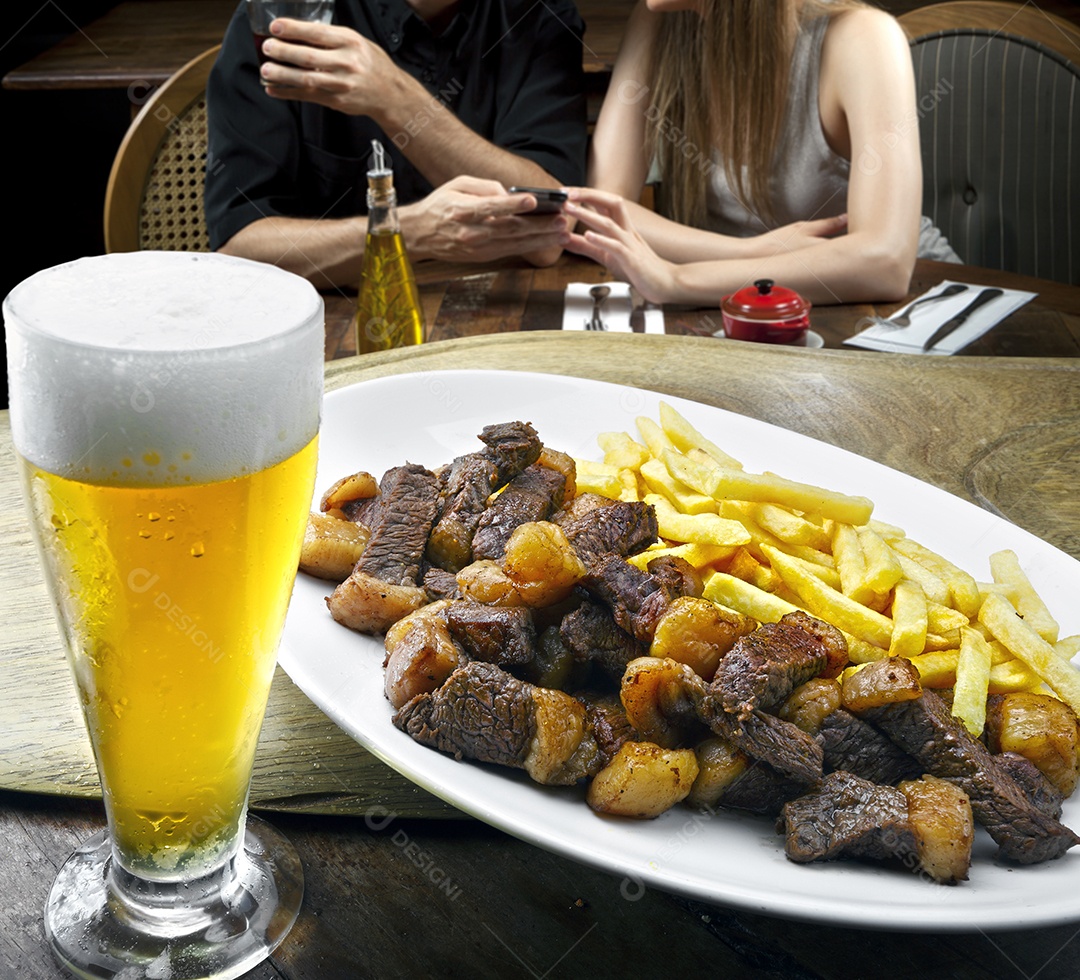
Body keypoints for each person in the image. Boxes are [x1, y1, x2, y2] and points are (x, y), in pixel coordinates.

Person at [561, 0, 959, 306]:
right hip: (750, 312)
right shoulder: (658, 23)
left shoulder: (863, 36)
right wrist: (749, 251)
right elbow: (599, 210)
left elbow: (885, 263)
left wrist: (677, 281)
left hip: (905, 312)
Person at [204, 0, 587, 288]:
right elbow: (240, 248)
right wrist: (408, 233)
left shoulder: (537, 15)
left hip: (494, 312)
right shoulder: (286, 13)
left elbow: (548, 232)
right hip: (330, 325)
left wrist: (395, 99)